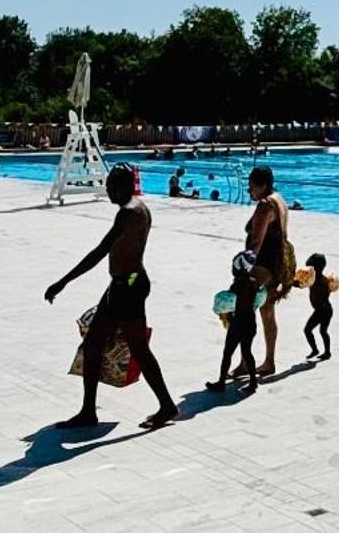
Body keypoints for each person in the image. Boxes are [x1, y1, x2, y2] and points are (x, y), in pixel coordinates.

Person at [44, 165, 180, 430]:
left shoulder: (129, 213)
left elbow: (99, 252)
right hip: (123, 285)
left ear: (127, 187)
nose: (108, 192)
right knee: (94, 343)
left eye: (113, 188)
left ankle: (166, 405)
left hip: (128, 287)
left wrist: (62, 282)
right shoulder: (137, 207)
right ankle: (88, 411)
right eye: (107, 187)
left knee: (138, 348)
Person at [243, 166, 296, 377]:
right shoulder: (279, 199)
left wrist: (244, 266)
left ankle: (245, 362)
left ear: (263, 185)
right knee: (267, 312)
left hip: (262, 265)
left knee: (244, 313)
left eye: (251, 187)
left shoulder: (265, 205)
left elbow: (256, 241)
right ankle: (268, 361)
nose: (249, 191)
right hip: (277, 262)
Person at [207, 250, 261, 395]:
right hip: (250, 322)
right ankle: (253, 383)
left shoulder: (236, 285)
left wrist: (227, 317)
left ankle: (221, 382)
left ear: (240, 268)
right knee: (247, 352)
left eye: (234, 266)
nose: (232, 269)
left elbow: (233, 305)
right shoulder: (254, 283)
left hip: (238, 323)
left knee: (228, 353)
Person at [303, 252, 334, 360]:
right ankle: (325, 352)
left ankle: (318, 350)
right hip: (326, 309)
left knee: (309, 330)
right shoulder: (322, 279)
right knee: (322, 331)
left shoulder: (316, 280)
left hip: (323, 310)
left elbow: (300, 284)